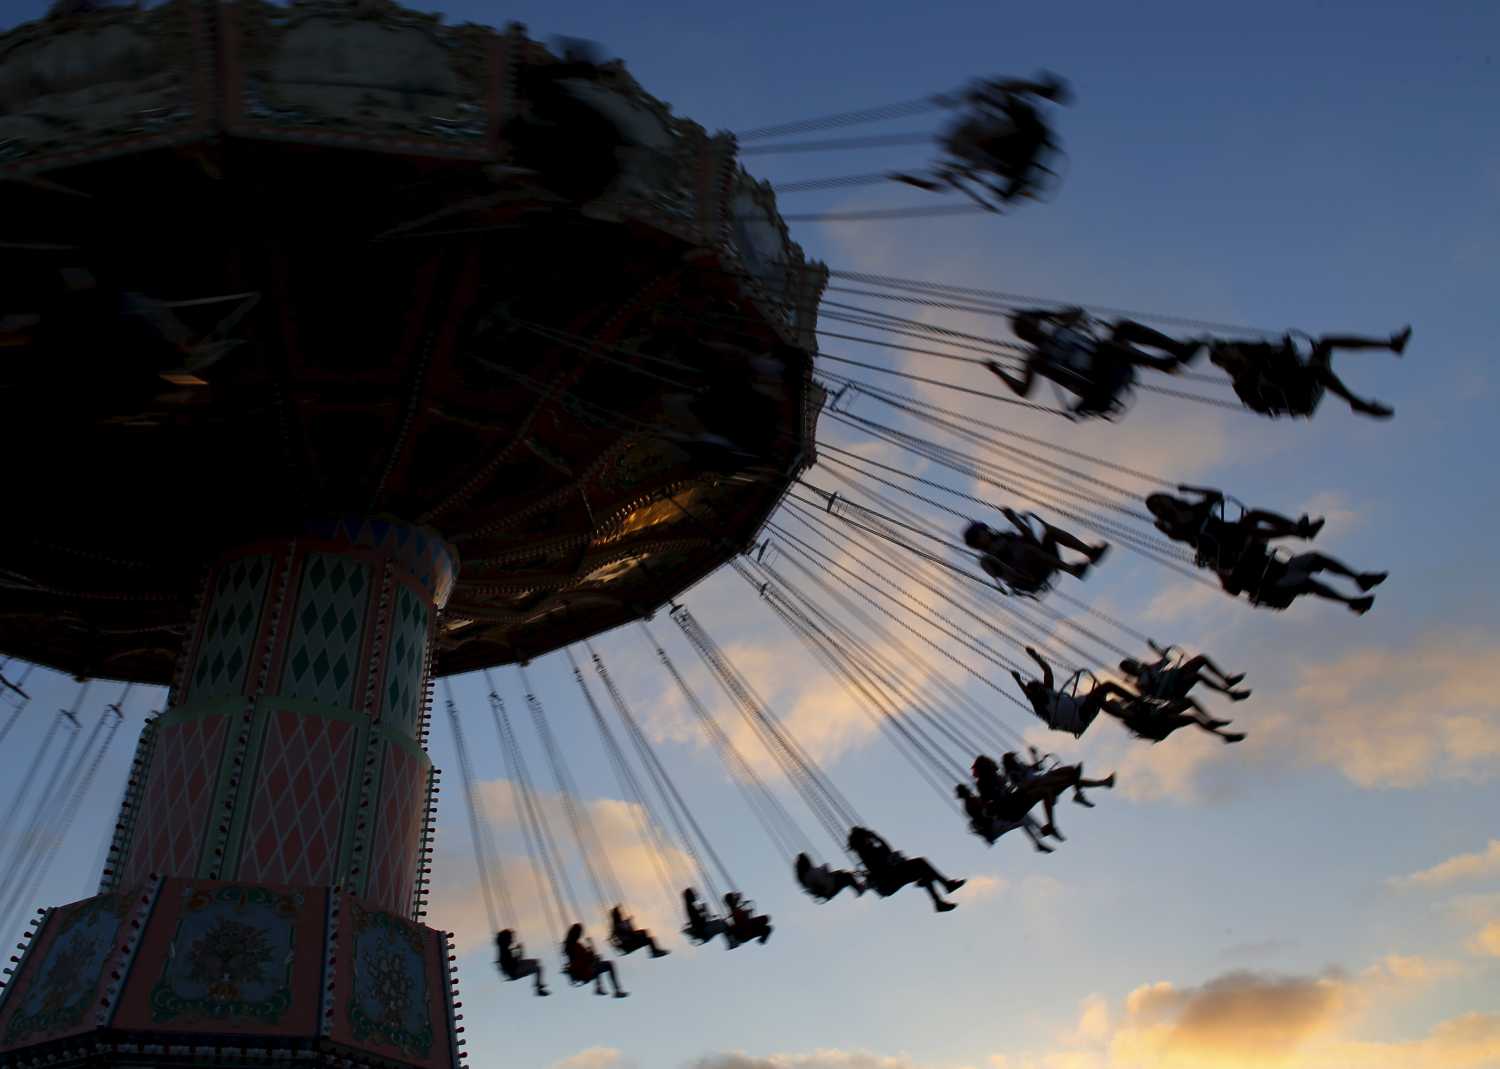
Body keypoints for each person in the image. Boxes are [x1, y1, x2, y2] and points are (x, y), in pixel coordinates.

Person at [892, 73, 1072, 209]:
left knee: (1007, 110)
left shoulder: (987, 145)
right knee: (1007, 112)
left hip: (1015, 146)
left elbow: (941, 185)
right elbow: (941, 185)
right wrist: (907, 179)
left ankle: (1013, 180)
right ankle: (1014, 180)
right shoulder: (979, 154)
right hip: (1013, 149)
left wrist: (906, 179)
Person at [989, 308, 1202, 418]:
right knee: (1107, 348)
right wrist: (998, 371)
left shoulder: (1060, 329)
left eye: (1033, 322)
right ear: (1025, 335)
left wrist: (1045, 314)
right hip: (1096, 384)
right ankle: (1164, 365)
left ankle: (1179, 350)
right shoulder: (1035, 358)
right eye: (1029, 327)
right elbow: (1023, 390)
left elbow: (1076, 312)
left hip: (1112, 363)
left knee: (1123, 327)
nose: (1035, 327)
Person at [1209, 327, 1411, 419]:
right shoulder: (1242, 384)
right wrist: (1264, 382)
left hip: (1303, 381)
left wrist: (1285, 350)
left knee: (1326, 342)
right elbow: (1263, 408)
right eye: (1227, 353)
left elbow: (1286, 360)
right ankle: (1357, 403)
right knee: (1315, 369)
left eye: (1231, 349)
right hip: (1299, 400)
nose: (1233, 352)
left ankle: (1391, 344)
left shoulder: (1257, 358)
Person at [1146, 485, 1321, 572]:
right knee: (1246, 531)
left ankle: (1298, 528)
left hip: (1230, 532)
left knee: (1255, 515)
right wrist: (1165, 527)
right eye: (1158, 503)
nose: (1163, 502)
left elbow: (1216, 495)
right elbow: (1177, 536)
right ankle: (1297, 532)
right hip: (1220, 546)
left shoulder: (1194, 509)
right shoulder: (1173, 525)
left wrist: (1190, 489)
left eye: (1162, 498)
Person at [964, 508, 1108, 596]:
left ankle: (1090, 553)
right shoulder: (987, 559)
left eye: (983, 530)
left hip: (1040, 557)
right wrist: (1022, 576)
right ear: (976, 543)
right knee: (1028, 551)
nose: (984, 533)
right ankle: (1072, 569)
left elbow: (1031, 540)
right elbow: (1004, 575)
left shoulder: (1005, 536)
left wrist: (1016, 521)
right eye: (980, 534)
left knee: (1049, 533)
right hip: (1030, 577)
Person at [1222, 545, 1386, 615]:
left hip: (1284, 568)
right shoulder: (1220, 564)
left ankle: (1359, 578)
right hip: (1272, 585)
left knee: (1316, 558)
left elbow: (1259, 544)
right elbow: (1232, 588)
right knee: (1306, 582)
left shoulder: (1240, 539)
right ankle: (1351, 602)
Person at [1011, 646, 1136, 737]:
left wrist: (1035, 656)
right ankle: (1130, 716)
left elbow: (1047, 671)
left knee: (1108, 686)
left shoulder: (1048, 692)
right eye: (1039, 688)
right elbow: (1029, 693)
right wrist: (1018, 681)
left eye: (1041, 687)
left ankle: (1137, 701)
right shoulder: (1039, 705)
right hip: (1076, 718)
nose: (1042, 688)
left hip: (1080, 708)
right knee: (1098, 697)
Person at [847, 826, 965, 912]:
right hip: (888, 881)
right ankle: (945, 887)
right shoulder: (866, 852)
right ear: (863, 839)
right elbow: (883, 861)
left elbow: (888, 851)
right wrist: (876, 837)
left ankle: (939, 901)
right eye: (867, 837)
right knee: (921, 863)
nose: (869, 839)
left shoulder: (868, 850)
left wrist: (877, 839)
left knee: (923, 871)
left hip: (891, 878)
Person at [1121, 641, 1249, 702]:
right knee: (1198, 676)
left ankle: (1226, 679)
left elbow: (1165, 662)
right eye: (1130, 667)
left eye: (1132, 664)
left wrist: (1159, 651)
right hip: (1172, 687)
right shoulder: (1140, 683)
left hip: (1176, 675)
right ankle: (1229, 693)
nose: (1134, 666)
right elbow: (1149, 696)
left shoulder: (1147, 669)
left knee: (1201, 659)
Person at [1101, 693, 1246, 744]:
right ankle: (1224, 735)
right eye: (1116, 704)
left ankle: (1210, 720)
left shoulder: (1129, 708)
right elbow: (1143, 720)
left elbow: (1148, 708)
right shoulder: (1125, 716)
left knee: (1190, 702)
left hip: (1159, 720)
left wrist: (1145, 702)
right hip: (1158, 726)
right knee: (1192, 718)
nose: (1120, 703)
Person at [955, 782, 1054, 853]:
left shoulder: (972, 800)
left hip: (994, 823)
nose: (968, 791)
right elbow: (985, 815)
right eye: (966, 790)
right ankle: (1040, 837)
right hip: (993, 827)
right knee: (1021, 818)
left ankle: (1041, 833)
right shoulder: (971, 803)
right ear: (965, 792)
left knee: (1022, 815)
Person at [562, 923, 628, 997]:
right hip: (584, 973)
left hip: (582, 972)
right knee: (609, 964)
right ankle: (616, 990)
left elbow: (583, 957)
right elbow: (584, 958)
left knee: (596, 962)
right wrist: (590, 951)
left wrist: (590, 953)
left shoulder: (570, 945)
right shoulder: (575, 946)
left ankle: (599, 987)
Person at [495, 929, 550, 996]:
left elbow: (515, 960)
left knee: (536, 963)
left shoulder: (503, 949)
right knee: (538, 968)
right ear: (507, 939)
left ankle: (538, 986)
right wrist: (519, 951)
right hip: (514, 971)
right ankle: (538, 988)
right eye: (511, 938)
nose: (512, 940)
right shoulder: (505, 951)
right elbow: (516, 961)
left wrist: (518, 951)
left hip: (513, 969)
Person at [794, 852, 865, 901]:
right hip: (829, 887)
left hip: (826, 894)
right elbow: (822, 875)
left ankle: (857, 882)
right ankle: (859, 889)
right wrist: (825, 867)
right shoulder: (810, 872)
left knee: (842, 874)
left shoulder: (804, 878)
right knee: (846, 875)